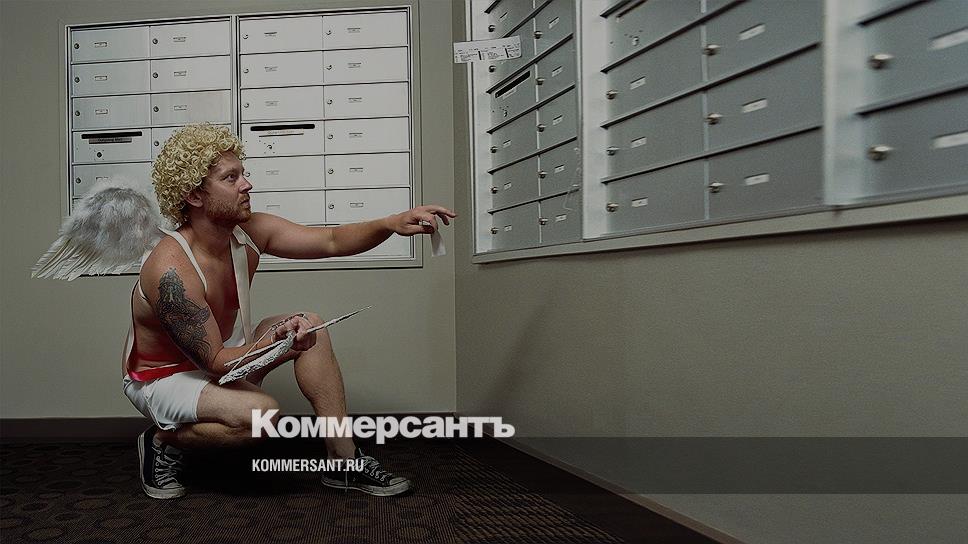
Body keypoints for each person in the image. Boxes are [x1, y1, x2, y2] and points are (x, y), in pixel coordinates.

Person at [121, 123, 455, 499]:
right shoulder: (170, 269)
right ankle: (162, 440)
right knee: (261, 416)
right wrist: (277, 342)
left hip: (220, 353)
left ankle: (343, 459)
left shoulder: (249, 231)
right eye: (231, 178)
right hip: (163, 377)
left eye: (243, 173)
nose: (247, 184)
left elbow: (331, 241)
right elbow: (214, 362)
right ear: (195, 195)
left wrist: (389, 224)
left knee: (311, 326)